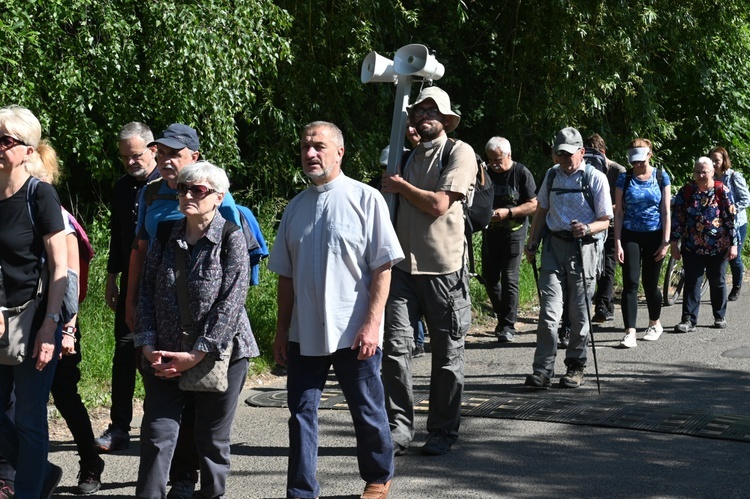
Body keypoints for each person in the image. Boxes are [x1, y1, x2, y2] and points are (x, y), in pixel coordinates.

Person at [269, 122, 401, 499]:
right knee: (301, 415)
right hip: (304, 332)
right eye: (305, 147)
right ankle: (301, 490)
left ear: (339, 152)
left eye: (319, 146)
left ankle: (378, 477)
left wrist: (373, 325)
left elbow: (383, 267)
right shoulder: (295, 207)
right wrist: (282, 329)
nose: (311, 153)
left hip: (352, 328)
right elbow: (286, 276)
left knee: (367, 408)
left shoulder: (365, 199)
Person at [125, 123, 243, 498]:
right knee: (157, 436)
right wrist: (146, 344)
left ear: (217, 196)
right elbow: (145, 293)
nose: (188, 194)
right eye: (183, 189)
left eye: (198, 189)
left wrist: (195, 354)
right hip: (162, 353)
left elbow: (231, 303)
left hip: (217, 355)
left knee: (211, 441)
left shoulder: (230, 237)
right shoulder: (165, 234)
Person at [380, 86, 477, 456]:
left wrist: (401, 187)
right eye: (418, 111)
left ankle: (441, 431)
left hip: (444, 270)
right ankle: (398, 429)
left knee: (447, 355)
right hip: (402, 267)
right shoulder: (403, 158)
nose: (424, 116)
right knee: (395, 350)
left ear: (446, 118)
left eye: (431, 111)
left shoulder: (460, 152)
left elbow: (439, 204)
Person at [24, 144, 106, 493]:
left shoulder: (60, 219)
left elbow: (69, 281)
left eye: (35, 176)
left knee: (65, 397)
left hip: (60, 324)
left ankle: (90, 462)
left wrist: (68, 331)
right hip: (24, 322)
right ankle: (29, 470)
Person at [0, 105, 67, 497]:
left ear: (28, 149)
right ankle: (39, 470)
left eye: (6, 140)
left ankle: (28, 489)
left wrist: (51, 326)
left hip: (36, 318)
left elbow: (61, 268)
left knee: (28, 418)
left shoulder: (40, 196)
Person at [523, 127, 612, 389]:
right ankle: (542, 370)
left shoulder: (595, 178)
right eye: (559, 153)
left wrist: (586, 228)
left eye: (568, 154)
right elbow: (542, 209)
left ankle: (575, 365)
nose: (563, 158)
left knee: (579, 313)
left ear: (581, 152)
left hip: (583, 250)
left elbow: (605, 220)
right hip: (553, 247)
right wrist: (533, 241)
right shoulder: (552, 176)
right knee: (549, 314)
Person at [95, 122, 159, 454]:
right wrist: (111, 278)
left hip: (163, 288)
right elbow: (118, 238)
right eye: (124, 158)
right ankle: (120, 426)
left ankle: (160, 424)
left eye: (135, 156)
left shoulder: (170, 185)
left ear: (153, 150)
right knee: (123, 353)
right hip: (130, 286)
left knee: (156, 357)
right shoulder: (121, 188)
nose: (130, 163)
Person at [613, 139, 671, 348]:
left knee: (650, 283)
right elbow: (618, 212)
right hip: (630, 234)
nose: (637, 164)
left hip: (655, 234)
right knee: (630, 282)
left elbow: (665, 211)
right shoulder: (624, 178)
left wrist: (666, 241)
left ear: (649, 155)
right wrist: (618, 242)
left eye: (641, 159)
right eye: (634, 160)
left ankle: (654, 323)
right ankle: (630, 332)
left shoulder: (661, 176)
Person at [671, 157, 737, 332]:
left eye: (704, 172)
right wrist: (673, 242)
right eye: (698, 171)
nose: (701, 175)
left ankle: (719, 315)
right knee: (692, 281)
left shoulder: (721, 190)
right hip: (691, 246)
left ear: (712, 172)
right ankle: (688, 320)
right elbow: (677, 218)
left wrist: (733, 244)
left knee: (718, 281)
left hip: (718, 246)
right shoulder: (686, 191)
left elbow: (730, 219)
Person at [482, 137, 537, 342]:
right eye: (491, 160)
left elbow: (534, 205)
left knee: (509, 276)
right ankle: (501, 315)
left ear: (508, 155)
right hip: (490, 232)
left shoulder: (521, 173)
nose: (494, 164)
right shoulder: (485, 173)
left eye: (498, 160)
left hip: (514, 231)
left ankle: (508, 325)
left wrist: (509, 212)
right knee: (489, 277)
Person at [586, 134, 626, 323]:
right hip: (589, 225)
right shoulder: (583, 171)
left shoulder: (618, 171)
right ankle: (604, 304)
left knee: (607, 265)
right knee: (591, 266)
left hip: (610, 224)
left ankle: (602, 306)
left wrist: (603, 208)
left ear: (602, 152)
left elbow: (624, 204)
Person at [709, 146, 750, 301]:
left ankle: (737, 285)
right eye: (711, 160)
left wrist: (733, 209)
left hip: (736, 223)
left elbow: (746, 199)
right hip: (717, 224)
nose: (714, 163)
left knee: (734, 257)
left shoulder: (734, 176)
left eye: (717, 160)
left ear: (724, 161)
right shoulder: (710, 178)